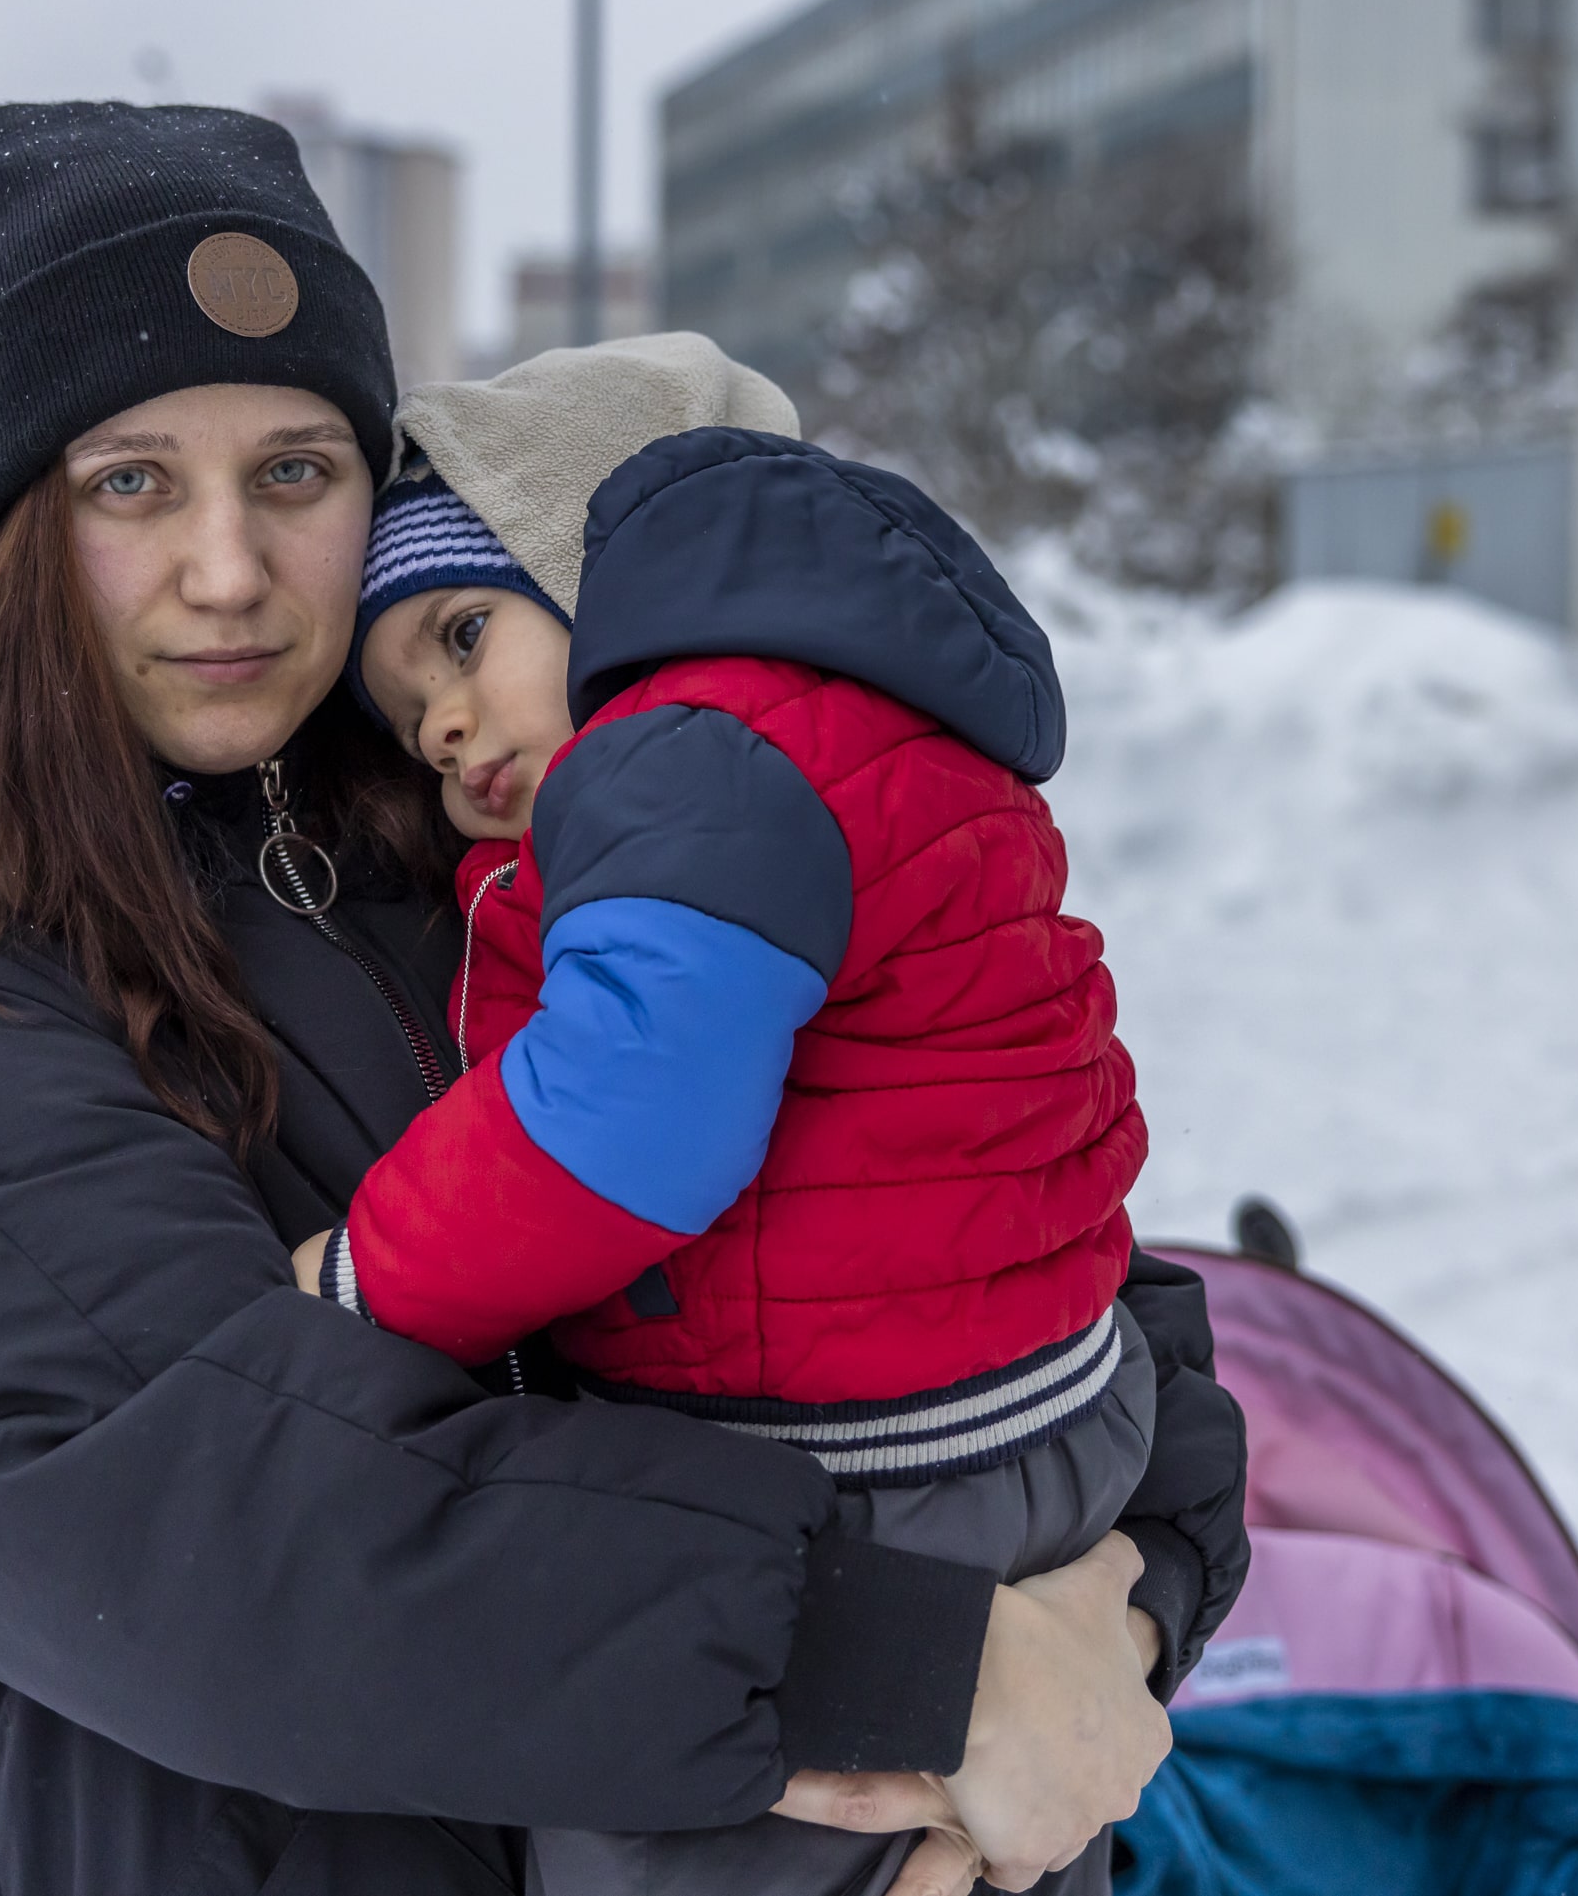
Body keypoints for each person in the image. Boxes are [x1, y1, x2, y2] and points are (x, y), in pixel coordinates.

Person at [0, 101, 1249, 1896]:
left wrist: (1124, 1612)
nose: (227, 570)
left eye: (296, 472)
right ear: (8, 537)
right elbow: (230, 1540)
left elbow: (1003, 1212)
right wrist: (929, 1672)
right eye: (130, 482)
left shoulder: (499, 833)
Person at [320, 337, 1153, 1896]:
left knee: (659, 1830)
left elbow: (622, 1126)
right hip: (1035, 1421)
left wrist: (361, 1278)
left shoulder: (687, 760)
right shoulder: (866, 732)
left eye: (459, 633)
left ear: (595, 559)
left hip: (864, 1472)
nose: (439, 722)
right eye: (403, 706)